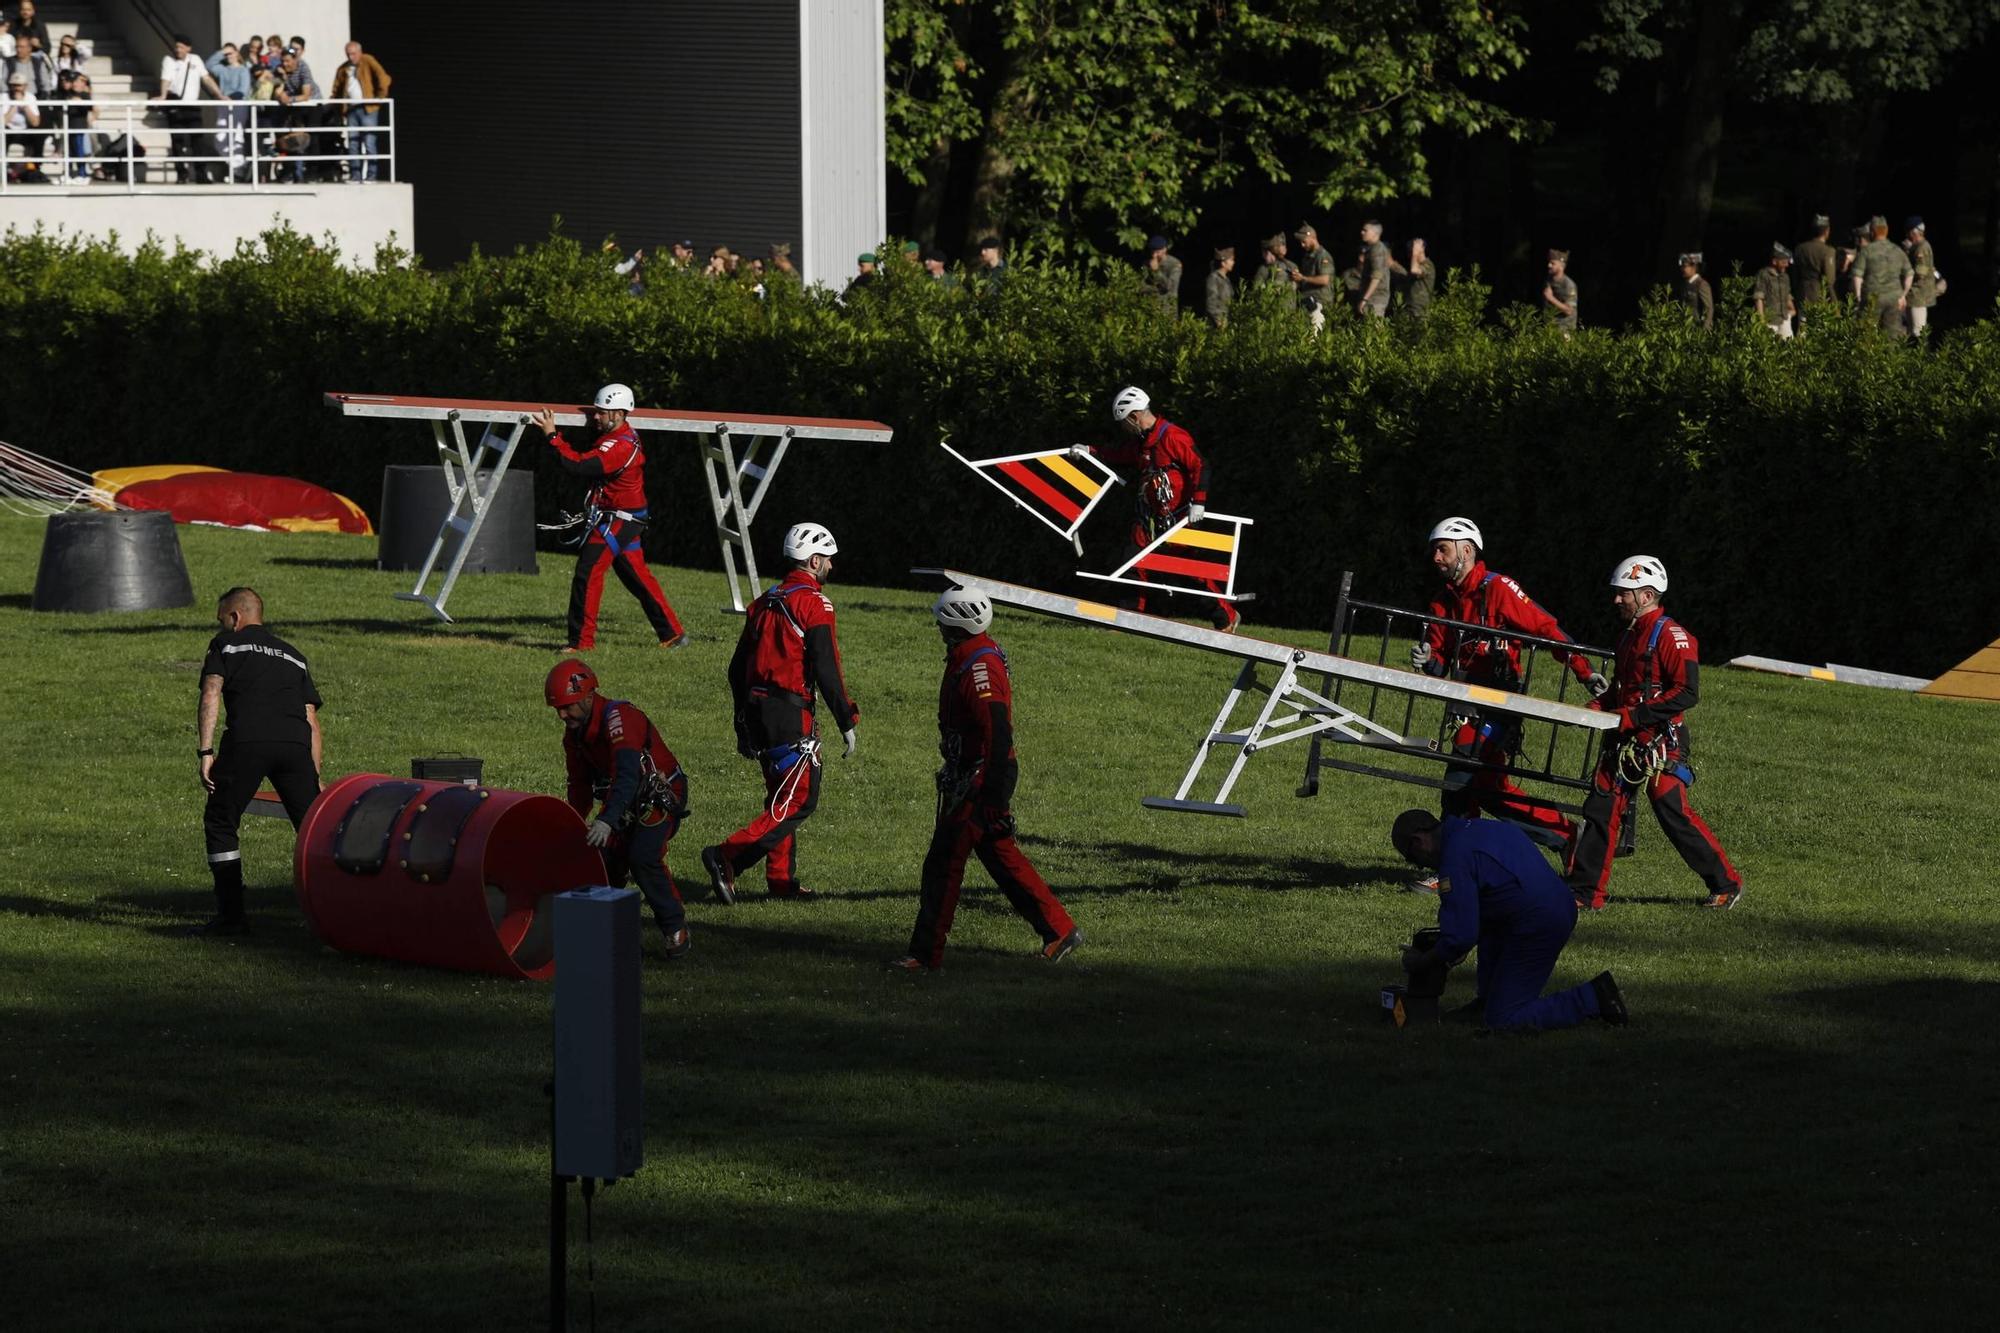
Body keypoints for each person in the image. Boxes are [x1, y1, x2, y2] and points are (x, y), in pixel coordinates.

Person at [887, 588, 1082, 972]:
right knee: (1001, 856)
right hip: (977, 773)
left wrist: (989, 792)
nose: (938, 627)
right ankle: (1059, 930)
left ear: (958, 622)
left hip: (982, 777)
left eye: (943, 621)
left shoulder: (979, 666)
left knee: (944, 862)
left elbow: (995, 728)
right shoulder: (970, 654)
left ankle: (925, 956)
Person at [1411, 517, 1603, 859]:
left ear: (1466, 550)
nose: (1435, 558)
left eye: (1442, 549)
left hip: (1502, 699)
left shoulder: (1498, 587)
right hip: (1466, 700)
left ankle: (1451, 861)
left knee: (1461, 769)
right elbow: (1440, 662)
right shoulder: (1442, 602)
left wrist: (1585, 673)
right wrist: (1428, 660)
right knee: (1488, 790)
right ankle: (1565, 834)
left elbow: (1547, 629)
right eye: (1434, 551)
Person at [1565, 556, 1744, 912]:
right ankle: (1585, 894)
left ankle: (1725, 884)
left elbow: (1687, 693)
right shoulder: (1629, 637)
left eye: (1624, 594)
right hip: (1625, 740)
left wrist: (1633, 716)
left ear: (1647, 595)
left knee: (1670, 809)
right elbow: (1623, 687)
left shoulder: (1674, 637)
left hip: (1660, 741)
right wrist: (1600, 706)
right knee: (1601, 809)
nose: (1616, 600)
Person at [703, 521, 860, 903]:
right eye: (828, 561)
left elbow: (736, 667)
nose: (831, 568)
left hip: (757, 709)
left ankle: (780, 880)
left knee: (781, 795)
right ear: (815, 560)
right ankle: (727, 857)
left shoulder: (764, 600)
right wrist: (847, 719)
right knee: (801, 798)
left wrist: (741, 720)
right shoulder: (814, 603)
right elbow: (827, 668)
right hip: (790, 712)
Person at [1389, 810, 1627, 1032]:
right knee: (1490, 927)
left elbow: (1460, 936)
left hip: (1538, 922)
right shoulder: (1481, 829)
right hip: (1546, 906)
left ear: (1419, 841)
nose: (1423, 866)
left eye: (1415, 860)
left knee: (1504, 1018)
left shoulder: (1455, 857)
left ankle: (1593, 997)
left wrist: (1422, 962)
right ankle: (1487, 1000)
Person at [195, 587, 324, 936]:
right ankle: (333, 914)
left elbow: (211, 692)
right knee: (315, 829)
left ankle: (231, 917)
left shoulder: (226, 645)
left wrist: (205, 752)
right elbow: (310, 717)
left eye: (222, 619)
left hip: (248, 741)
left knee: (221, 820)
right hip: (295, 745)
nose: (221, 626)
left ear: (235, 617)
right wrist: (313, 775)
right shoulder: (294, 655)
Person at [546, 658, 691, 960]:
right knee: (604, 861)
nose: (562, 714)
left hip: (660, 795)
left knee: (642, 856)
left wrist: (607, 821)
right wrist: (571, 824)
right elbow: (579, 785)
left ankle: (674, 927)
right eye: (558, 708)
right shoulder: (574, 735)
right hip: (625, 799)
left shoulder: (620, 719)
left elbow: (627, 774)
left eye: (568, 706)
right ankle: (619, 936)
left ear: (587, 697)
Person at [532, 383, 687, 653]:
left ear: (619, 413)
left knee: (587, 572)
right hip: (624, 516)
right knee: (637, 578)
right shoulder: (618, 436)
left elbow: (578, 465)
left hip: (619, 519)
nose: (595, 417)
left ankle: (581, 643)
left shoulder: (618, 446)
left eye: (602, 413)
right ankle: (673, 634)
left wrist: (552, 436)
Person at [1076, 386, 1236, 632]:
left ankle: (1226, 617)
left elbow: (1201, 466)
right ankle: (1130, 620)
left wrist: (1199, 502)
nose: (1124, 429)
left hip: (1181, 516)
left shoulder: (1173, 436)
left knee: (1189, 570)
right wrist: (1090, 452)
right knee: (1132, 562)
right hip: (1150, 519)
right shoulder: (1143, 444)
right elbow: (1119, 455)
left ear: (1134, 417)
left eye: (1124, 423)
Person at [152, 33, 219, 183]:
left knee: (198, 141)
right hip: (176, 105)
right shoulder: (168, 60)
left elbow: (206, 78)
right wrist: (163, 95)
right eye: (177, 46)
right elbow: (166, 79)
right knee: (177, 141)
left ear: (188, 48)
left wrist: (219, 95)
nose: (178, 49)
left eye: (181, 47)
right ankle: (182, 175)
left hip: (192, 106)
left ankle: (201, 174)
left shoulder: (195, 60)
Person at [331, 40, 391, 182]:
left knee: (369, 141)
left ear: (360, 52)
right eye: (348, 54)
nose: (351, 57)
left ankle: (371, 175)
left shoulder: (368, 60)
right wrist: (336, 105)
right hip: (351, 109)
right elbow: (337, 88)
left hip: (367, 108)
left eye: (353, 54)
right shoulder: (344, 69)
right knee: (353, 143)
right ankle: (355, 175)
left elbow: (383, 77)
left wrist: (380, 97)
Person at [1850, 215, 1911, 339]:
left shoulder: (1866, 251)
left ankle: (1868, 358)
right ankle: (1891, 357)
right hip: (1894, 298)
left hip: (1872, 298)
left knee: (1867, 334)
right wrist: (1903, 295)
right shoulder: (1897, 250)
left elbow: (1857, 276)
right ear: (1886, 231)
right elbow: (1909, 274)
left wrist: (1858, 297)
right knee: (1892, 335)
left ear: (1872, 232)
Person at [271, 47, 318, 183]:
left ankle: (310, 173)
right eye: (283, 61)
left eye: (288, 61)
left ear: (295, 60)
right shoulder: (281, 70)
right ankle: (289, 172)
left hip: (311, 106)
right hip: (293, 107)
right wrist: (281, 92)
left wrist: (289, 99)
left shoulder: (303, 68)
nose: (285, 64)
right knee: (288, 139)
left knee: (309, 138)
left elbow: (306, 95)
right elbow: (277, 91)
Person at [205, 44, 250, 182]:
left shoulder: (243, 70)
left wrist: (230, 98)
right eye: (227, 54)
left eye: (231, 53)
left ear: (237, 53)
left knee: (237, 138)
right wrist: (222, 52)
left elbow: (243, 90)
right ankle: (236, 166)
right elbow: (208, 65)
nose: (229, 56)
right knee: (220, 138)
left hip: (238, 105)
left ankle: (238, 171)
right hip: (224, 106)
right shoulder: (222, 69)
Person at [1792, 214, 1837, 322]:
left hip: (1803, 294)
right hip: (1819, 296)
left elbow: (1794, 275)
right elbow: (1829, 280)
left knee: (1803, 330)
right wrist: (1834, 302)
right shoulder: (1827, 251)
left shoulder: (1800, 249)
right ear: (1827, 231)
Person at [1291, 222, 1334, 331]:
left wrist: (1303, 278)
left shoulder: (1323, 256)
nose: (1302, 245)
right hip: (1307, 300)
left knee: (1316, 334)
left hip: (1320, 302)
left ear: (1312, 237)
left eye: (1304, 241)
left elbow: (1325, 279)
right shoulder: (1307, 257)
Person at [1903, 216, 1937, 337]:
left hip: (1918, 296)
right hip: (1914, 295)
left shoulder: (1921, 248)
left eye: (1908, 232)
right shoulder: (1917, 247)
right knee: (1912, 330)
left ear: (1914, 232)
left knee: (1918, 332)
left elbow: (1920, 272)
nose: (1907, 235)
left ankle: (1921, 355)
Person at [1755, 243, 1796, 338]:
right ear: (1774, 261)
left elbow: (1787, 294)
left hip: (1784, 319)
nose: (1786, 265)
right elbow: (1759, 297)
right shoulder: (1764, 275)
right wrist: (1761, 320)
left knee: (1789, 346)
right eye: (1783, 262)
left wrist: (1792, 309)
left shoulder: (1785, 277)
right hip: (1770, 320)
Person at [1356, 220, 1392, 317]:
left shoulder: (1377, 250)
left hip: (1375, 299)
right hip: (1373, 298)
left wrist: (1365, 299)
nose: (1362, 232)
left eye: (1365, 230)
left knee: (1374, 329)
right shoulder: (1372, 249)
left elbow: (1377, 276)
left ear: (1375, 233)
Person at [1395, 237, 1436, 321]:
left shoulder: (1428, 265)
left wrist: (1415, 253)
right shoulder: (1414, 264)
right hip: (1408, 309)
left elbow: (1414, 270)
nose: (1410, 254)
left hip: (1420, 311)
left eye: (1412, 250)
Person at [1143, 233, 1182, 314]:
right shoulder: (1147, 264)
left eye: (1157, 252)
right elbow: (1141, 286)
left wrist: (1156, 271)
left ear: (1164, 249)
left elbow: (1169, 287)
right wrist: (1154, 290)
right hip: (1150, 308)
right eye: (1152, 252)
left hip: (1167, 310)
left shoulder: (1174, 264)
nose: (1154, 255)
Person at [1541, 249, 1578, 331]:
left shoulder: (1568, 285)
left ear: (1561, 266)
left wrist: (1551, 298)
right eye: (1549, 262)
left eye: (1553, 263)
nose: (1549, 265)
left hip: (1564, 330)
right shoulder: (1548, 280)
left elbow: (1569, 311)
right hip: (1549, 327)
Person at [1678, 253, 1713, 329]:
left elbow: (1708, 308)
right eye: (1682, 266)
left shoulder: (1701, 284)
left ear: (1693, 267)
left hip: (1697, 330)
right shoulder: (1685, 284)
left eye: (1685, 266)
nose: (1682, 269)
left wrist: (1705, 329)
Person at [1203, 245, 1234, 328]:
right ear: (1223, 263)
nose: (1233, 263)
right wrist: (1219, 321)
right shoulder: (1213, 279)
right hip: (1216, 325)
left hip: (1226, 322)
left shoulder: (1226, 279)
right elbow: (1211, 303)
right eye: (1231, 260)